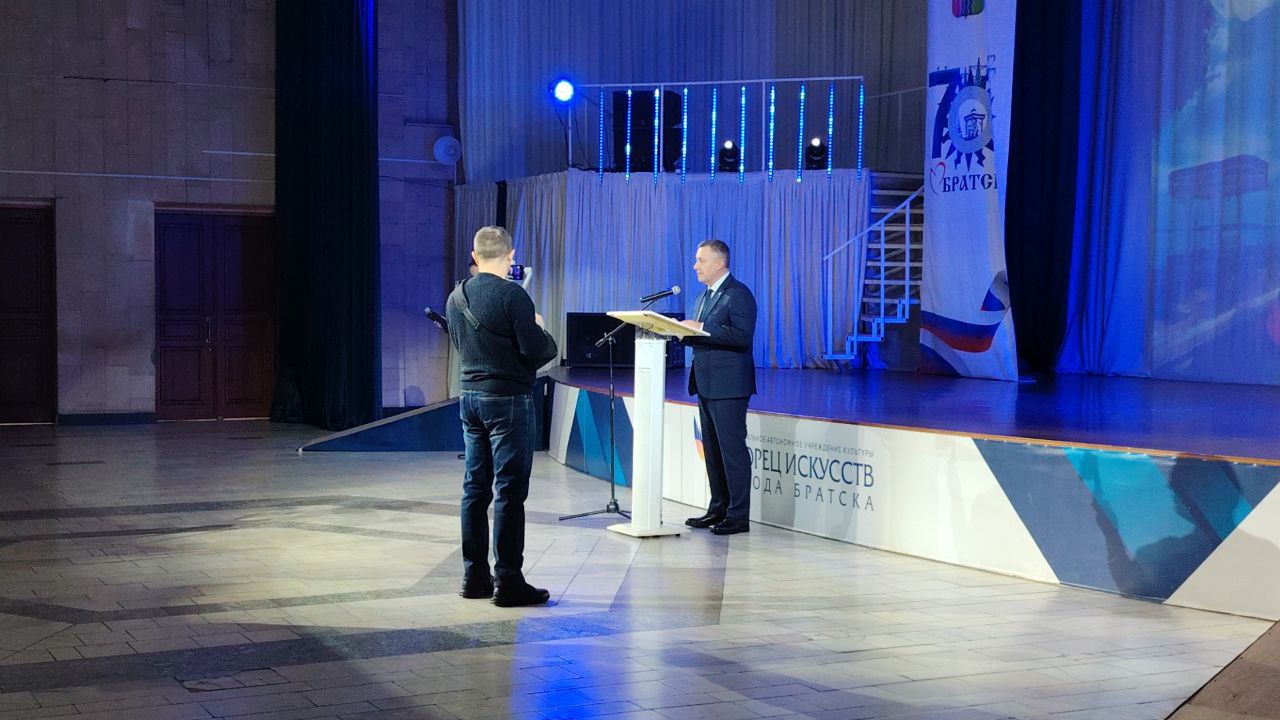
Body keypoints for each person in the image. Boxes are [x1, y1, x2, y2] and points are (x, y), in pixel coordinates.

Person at [446, 226, 557, 606]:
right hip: (507, 400)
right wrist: (540, 328)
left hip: (469, 398)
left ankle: (473, 577)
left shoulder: (456, 295)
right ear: (510, 257)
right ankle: (508, 582)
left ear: (474, 256)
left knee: (475, 488)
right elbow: (536, 351)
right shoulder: (513, 295)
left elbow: (462, 345)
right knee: (509, 490)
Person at [679, 239, 757, 536]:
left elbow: (742, 337)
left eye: (701, 260)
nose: (695, 266)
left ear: (720, 263)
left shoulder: (738, 294)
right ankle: (718, 508)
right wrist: (680, 332)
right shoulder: (703, 296)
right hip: (705, 383)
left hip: (729, 385)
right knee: (712, 451)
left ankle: (738, 515)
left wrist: (701, 328)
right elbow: (704, 337)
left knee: (731, 451)